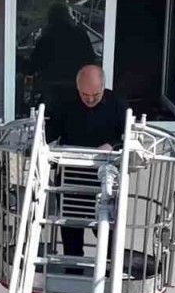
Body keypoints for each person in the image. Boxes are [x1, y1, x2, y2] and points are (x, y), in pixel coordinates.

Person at [47, 65, 127, 259]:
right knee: (71, 233)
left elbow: (129, 135)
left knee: (108, 234)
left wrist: (113, 145)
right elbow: (50, 132)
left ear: (104, 87)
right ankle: (72, 270)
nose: (90, 99)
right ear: (77, 88)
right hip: (71, 177)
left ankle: (108, 272)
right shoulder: (65, 103)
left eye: (96, 94)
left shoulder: (117, 104)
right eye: (85, 95)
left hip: (104, 179)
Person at [25, 3, 96, 113]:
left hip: (52, 90)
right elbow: (91, 60)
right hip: (76, 88)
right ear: (68, 17)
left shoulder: (46, 38)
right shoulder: (81, 35)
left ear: (51, 19)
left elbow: (34, 65)